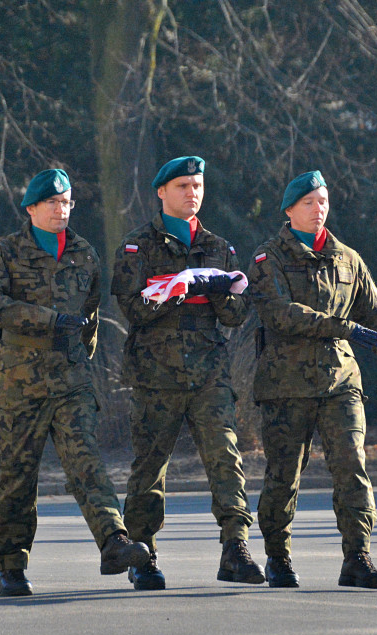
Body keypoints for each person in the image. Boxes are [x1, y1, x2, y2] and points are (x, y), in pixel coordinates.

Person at [0, 169, 150, 596]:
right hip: (20, 386)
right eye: (52, 202)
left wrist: (79, 357)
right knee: (17, 476)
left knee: (88, 465)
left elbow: (89, 314)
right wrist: (49, 320)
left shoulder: (84, 254)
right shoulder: (6, 252)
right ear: (31, 208)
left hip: (70, 382)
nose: (60, 210)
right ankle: (11, 566)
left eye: (67, 202)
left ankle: (114, 542)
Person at [247, 170, 377, 589]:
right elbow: (282, 314)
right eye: (309, 202)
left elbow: (375, 314)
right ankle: (278, 556)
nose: (318, 209)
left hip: (340, 381)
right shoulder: (269, 259)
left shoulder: (347, 258)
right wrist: (344, 328)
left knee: (352, 466)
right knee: (284, 474)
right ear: (289, 211)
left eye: (323, 201)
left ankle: (357, 556)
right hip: (287, 386)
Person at [111, 155, 263, 590]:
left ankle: (236, 548)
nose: (191, 193)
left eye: (197, 186)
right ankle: (143, 554)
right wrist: (182, 287)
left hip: (209, 372)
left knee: (226, 459)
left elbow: (234, 315)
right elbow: (134, 308)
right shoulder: (138, 247)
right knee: (149, 467)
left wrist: (217, 289)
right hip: (156, 374)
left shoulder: (220, 247)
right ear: (161, 192)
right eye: (182, 186)